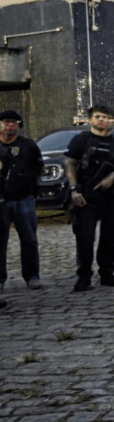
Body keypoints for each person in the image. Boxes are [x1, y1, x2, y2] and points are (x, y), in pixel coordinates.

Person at [65, 105, 114, 292]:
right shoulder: (81, 140)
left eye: (106, 117)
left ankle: (107, 273)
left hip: (112, 197)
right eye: (98, 116)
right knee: (85, 238)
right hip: (86, 196)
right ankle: (84, 277)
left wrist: (112, 177)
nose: (102, 120)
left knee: (108, 237)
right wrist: (73, 189)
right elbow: (70, 162)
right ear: (90, 120)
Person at [0, 109, 43, 292]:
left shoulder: (28, 145)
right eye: (7, 121)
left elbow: (38, 167)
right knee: (0, 242)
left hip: (24, 198)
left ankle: (32, 276)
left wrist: (31, 187)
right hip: (1, 200)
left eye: (14, 122)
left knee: (29, 239)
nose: (11, 125)